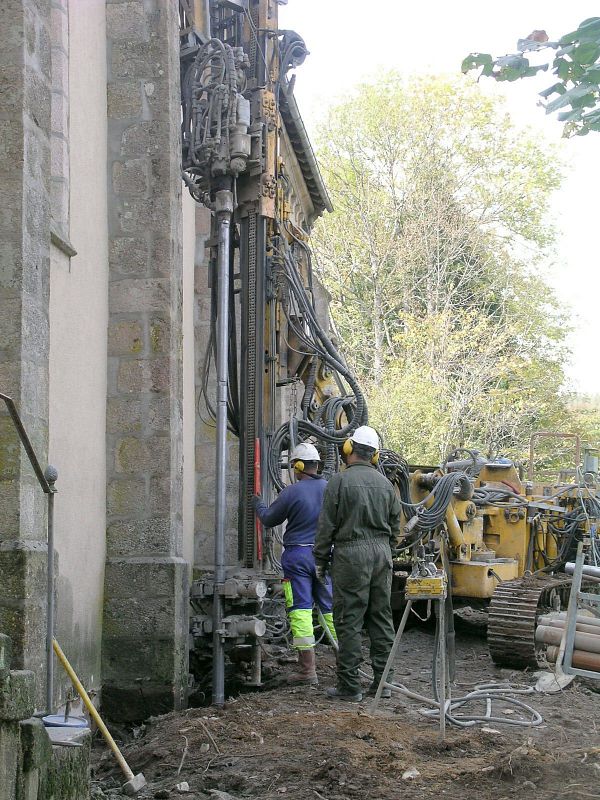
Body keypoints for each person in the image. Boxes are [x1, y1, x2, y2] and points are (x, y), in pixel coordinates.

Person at [314, 426, 401, 702]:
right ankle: (384, 683)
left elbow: (326, 526)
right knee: (381, 618)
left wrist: (319, 560)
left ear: (349, 449)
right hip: (381, 554)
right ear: (374, 455)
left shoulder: (338, 483)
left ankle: (350, 687)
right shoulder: (387, 485)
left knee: (349, 619)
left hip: (350, 555)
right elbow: (396, 527)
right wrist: (387, 550)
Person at [253, 442, 337, 685]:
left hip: (298, 557)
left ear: (298, 466)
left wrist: (257, 503)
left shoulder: (292, 491)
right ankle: (345, 662)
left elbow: (269, 519)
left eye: (294, 466)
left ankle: (307, 669)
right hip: (323, 556)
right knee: (329, 607)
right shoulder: (330, 489)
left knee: (300, 609)